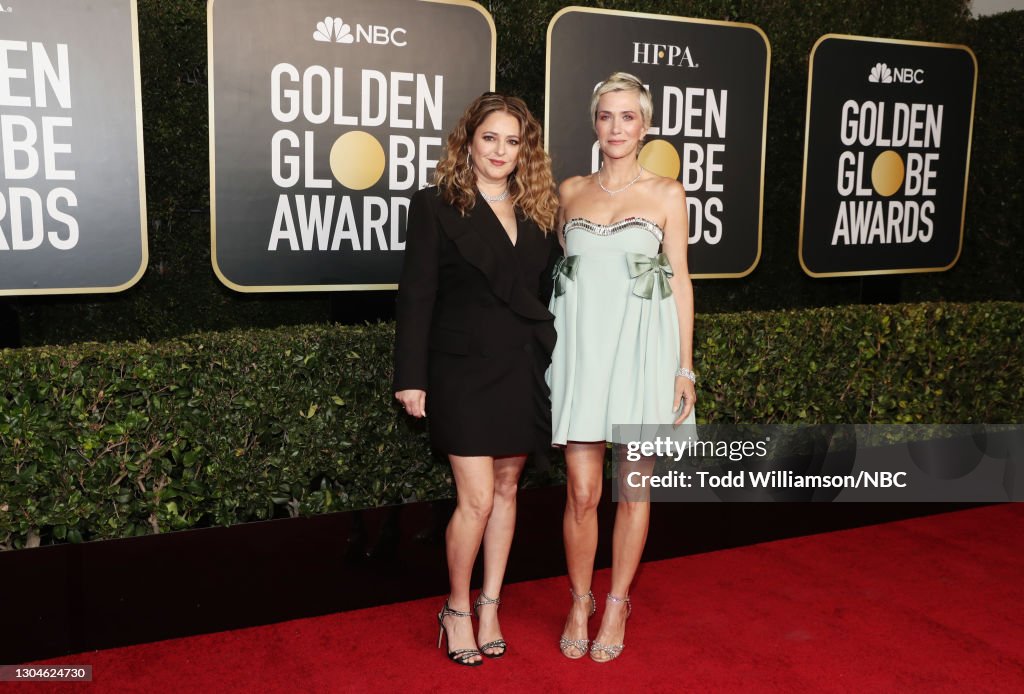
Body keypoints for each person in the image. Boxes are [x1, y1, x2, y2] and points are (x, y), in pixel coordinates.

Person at [393, 92, 560, 667]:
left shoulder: (539, 209)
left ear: (525, 151)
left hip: (519, 367)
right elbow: (417, 295)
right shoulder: (436, 205)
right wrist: (411, 376)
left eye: (513, 141)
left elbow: (549, 290)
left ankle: (491, 604)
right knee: (478, 498)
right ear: (468, 140)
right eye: (490, 137)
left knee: (509, 491)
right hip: (460, 370)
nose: (500, 150)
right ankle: (457, 608)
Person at [548, 72, 697, 662]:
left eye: (628, 116)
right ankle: (578, 599)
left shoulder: (667, 193)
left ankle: (616, 603)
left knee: (633, 490)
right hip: (583, 354)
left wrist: (684, 368)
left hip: (641, 353)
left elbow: (680, 279)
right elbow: (567, 277)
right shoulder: (569, 191)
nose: (616, 127)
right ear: (595, 122)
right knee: (583, 492)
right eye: (607, 116)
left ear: (646, 125)